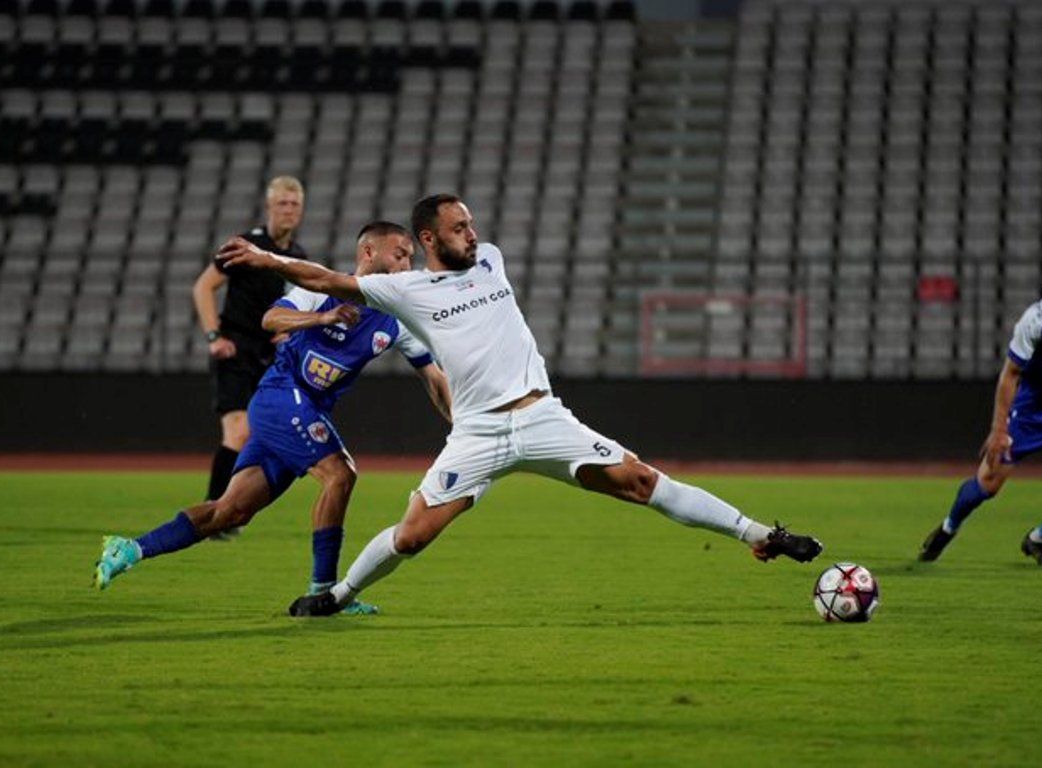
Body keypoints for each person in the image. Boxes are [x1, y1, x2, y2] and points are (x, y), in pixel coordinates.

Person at [215, 194, 824, 618]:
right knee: (412, 537)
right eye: (458, 227)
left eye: (471, 223)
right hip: (477, 434)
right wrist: (269, 261)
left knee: (640, 480)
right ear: (427, 239)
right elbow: (326, 280)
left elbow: (466, 270)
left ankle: (762, 532)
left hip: (541, 418)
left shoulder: (490, 260)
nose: (472, 233)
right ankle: (338, 595)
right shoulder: (404, 290)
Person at [94, 222, 453, 612]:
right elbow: (271, 320)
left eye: (410, 258)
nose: (407, 264)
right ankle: (325, 592)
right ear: (368, 254)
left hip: (304, 411)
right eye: (399, 254)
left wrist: (461, 424)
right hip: (280, 397)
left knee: (229, 512)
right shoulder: (322, 291)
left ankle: (129, 549)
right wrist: (322, 320)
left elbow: (434, 379)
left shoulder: (397, 319)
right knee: (340, 474)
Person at [919, 248, 1042, 567]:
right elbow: (1010, 374)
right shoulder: (1039, 319)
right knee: (990, 481)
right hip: (1033, 411)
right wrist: (999, 430)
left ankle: (1039, 538)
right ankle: (947, 528)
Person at [192, 176, 307, 526]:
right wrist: (214, 336)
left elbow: (298, 305)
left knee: (258, 435)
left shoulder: (296, 257)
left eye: (294, 205)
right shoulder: (246, 246)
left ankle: (226, 510)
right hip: (235, 349)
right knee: (239, 432)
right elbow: (204, 286)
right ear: (269, 207)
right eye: (282, 204)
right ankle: (215, 511)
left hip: (268, 355)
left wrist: (287, 328)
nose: (288, 210)